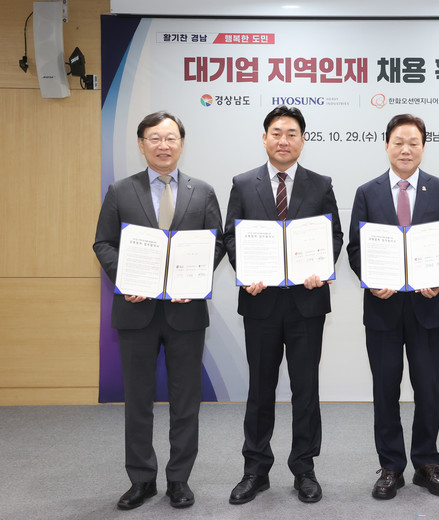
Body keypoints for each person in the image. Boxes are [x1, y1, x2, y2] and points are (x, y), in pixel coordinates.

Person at [93, 111, 225, 510]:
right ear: (141, 144)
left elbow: (217, 243)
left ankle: (179, 480)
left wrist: (193, 280)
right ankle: (141, 480)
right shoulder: (120, 190)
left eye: (170, 138)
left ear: (181, 143)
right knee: (138, 401)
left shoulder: (203, 191)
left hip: (186, 313)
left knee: (186, 401)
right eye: (154, 138)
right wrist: (128, 279)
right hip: (137, 312)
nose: (163, 145)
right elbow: (103, 243)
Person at [223, 105, 343, 504]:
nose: (283, 140)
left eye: (292, 133)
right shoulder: (243, 184)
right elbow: (231, 236)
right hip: (260, 302)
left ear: (302, 140)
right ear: (264, 138)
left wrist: (321, 269)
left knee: (305, 389)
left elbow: (334, 235)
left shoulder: (320, 184)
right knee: (260, 389)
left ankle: (304, 469)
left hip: (307, 303)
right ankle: (255, 470)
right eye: (276, 133)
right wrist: (246, 271)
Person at [347, 114, 439, 500]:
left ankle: (427, 463)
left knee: (428, 387)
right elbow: (355, 247)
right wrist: (371, 278)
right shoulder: (367, 192)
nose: (405, 149)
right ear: (386, 145)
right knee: (385, 388)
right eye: (398, 142)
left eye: (413, 143)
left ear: (423, 147)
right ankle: (391, 466)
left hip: (429, 306)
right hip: (382, 307)